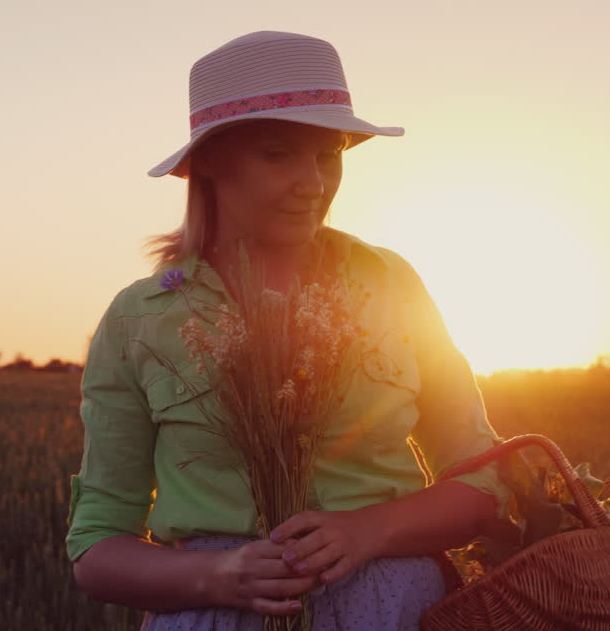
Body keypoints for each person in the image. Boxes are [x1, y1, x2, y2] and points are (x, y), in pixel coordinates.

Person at [65, 31, 511, 630]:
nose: (314, 183)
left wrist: (369, 530)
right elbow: (96, 548)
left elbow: (484, 480)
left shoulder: (390, 284)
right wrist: (218, 576)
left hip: (399, 612)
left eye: (329, 155)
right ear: (213, 161)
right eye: (279, 154)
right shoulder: (139, 319)